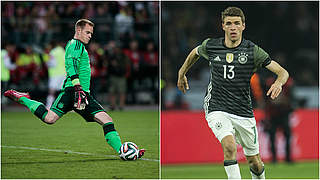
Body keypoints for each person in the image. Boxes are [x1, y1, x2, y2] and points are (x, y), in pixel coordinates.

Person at [4, 19, 145, 160]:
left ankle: (23, 98)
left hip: (76, 92)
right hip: (76, 91)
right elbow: (71, 65)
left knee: (50, 118)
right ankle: (123, 151)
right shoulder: (76, 44)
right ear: (78, 31)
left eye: (91, 33)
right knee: (106, 120)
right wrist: (78, 87)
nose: (90, 36)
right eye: (87, 32)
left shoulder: (77, 46)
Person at [177, 7, 289, 179]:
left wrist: (278, 83)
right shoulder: (212, 46)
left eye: (237, 23)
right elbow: (195, 52)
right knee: (229, 147)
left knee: (255, 163)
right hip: (217, 107)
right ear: (223, 26)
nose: (233, 27)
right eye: (229, 23)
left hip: (243, 112)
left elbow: (282, 72)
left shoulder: (253, 51)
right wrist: (181, 72)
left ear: (243, 26)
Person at [265, 76, 294, 163]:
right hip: (274, 114)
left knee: (286, 136)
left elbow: (290, 98)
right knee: (273, 137)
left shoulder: (285, 84)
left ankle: (287, 158)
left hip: (282, 114)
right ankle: (275, 158)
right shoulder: (272, 83)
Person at [46, 41, 66, 108]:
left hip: (55, 74)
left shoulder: (53, 52)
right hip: (63, 74)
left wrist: (46, 63)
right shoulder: (63, 51)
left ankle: (48, 106)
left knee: (52, 91)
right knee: (63, 91)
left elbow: (53, 64)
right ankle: (64, 106)